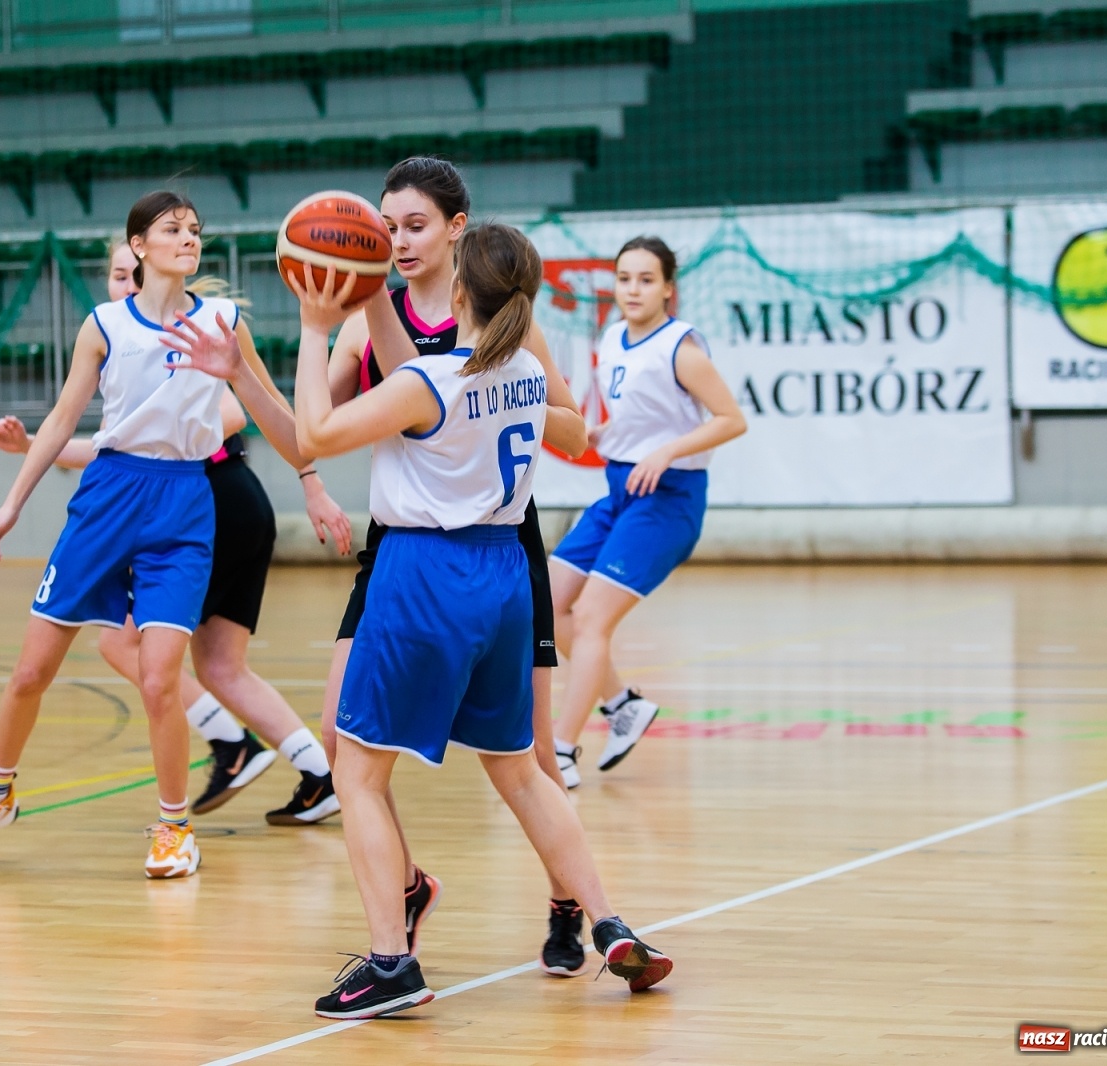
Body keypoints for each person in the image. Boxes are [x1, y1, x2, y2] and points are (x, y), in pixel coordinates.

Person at [166, 224, 672, 1019]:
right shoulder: (529, 375)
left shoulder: (430, 385)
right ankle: (608, 920)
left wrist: (309, 331)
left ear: (459, 294)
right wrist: (256, 365)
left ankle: (392, 962)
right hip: (507, 574)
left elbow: (317, 437)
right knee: (521, 772)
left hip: (425, 578)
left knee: (359, 773)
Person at [0, 190, 313, 879]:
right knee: (30, 673)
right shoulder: (105, 324)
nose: (189, 238)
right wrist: (11, 503)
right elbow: (59, 421)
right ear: (139, 245)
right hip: (109, 498)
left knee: (160, 679)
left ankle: (173, 828)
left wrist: (313, 483)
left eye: (195, 230)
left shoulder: (224, 322)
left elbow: (269, 407)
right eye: (173, 229)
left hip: (184, 503)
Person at [319, 157, 597, 977]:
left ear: (455, 227)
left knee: (531, 757)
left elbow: (574, 424)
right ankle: (403, 889)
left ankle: (567, 903)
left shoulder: (503, 318)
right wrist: (310, 484)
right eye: (386, 226)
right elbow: (324, 418)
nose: (398, 241)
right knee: (344, 736)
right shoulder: (366, 314)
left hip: (499, 541)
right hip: (401, 546)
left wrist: (483, 405)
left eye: (413, 225)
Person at [549, 236, 747, 783]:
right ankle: (624, 706)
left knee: (590, 619)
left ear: (668, 289)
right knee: (547, 601)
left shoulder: (681, 347)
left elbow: (731, 419)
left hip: (669, 498)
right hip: (619, 489)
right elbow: (645, 416)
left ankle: (562, 749)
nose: (633, 289)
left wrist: (667, 450)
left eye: (645, 279)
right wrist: (603, 431)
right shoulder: (613, 337)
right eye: (625, 278)